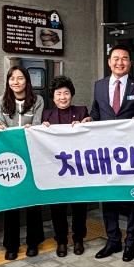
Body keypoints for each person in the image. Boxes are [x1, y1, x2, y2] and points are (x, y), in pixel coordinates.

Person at [90, 44, 134, 262]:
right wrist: (87, 121)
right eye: (116, 58)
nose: (120, 62)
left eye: (124, 58)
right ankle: (113, 240)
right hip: (106, 152)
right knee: (108, 197)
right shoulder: (99, 86)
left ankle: (131, 243)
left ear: (130, 63)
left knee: (133, 197)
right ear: (109, 62)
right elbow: (95, 114)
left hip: (132, 153)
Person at [0, 65, 45, 260]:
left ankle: (33, 242)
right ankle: (11, 245)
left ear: (27, 81)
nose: (16, 82)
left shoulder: (37, 100)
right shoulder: (0, 101)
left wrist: (29, 129)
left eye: (20, 78)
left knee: (32, 199)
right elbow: (1, 125)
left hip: (32, 154)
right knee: (12, 200)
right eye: (12, 78)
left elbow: (37, 125)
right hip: (10, 156)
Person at [42, 75, 91, 257]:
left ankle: (78, 239)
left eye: (66, 93)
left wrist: (87, 123)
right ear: (53, 97)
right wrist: (41, 128)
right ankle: (61, 240)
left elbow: (92, 133)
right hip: (56, 169)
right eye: (59, 94)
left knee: (79, 206)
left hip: (78, 169)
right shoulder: (46, 115)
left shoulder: (81, 111)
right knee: (58, 206)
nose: (63, 97)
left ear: (72, 94)